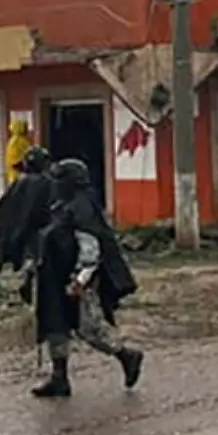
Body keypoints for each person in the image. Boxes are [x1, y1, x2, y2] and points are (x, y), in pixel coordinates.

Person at [29, 158, 143, 399]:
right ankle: (59, 378)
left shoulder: (83, 207)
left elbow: (90, 246)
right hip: (53, 277)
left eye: (60, 180)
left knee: (89, 327)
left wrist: (81, 279)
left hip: (78, 279)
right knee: (55, 324)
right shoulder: (62, 204)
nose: (56, 185)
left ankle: (126, 355)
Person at [0, 145, 55, 273]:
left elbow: (1, 213)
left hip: (15, 242)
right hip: (36, 241)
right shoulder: (46, 183)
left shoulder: (17, 184)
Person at [4, 119, 34, 185]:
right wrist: (26, 170)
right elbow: (14, 161)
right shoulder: (15, 141)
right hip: (17, 176)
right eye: (25, 127)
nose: (27, 129)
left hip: (22, 175)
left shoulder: (23, 140)